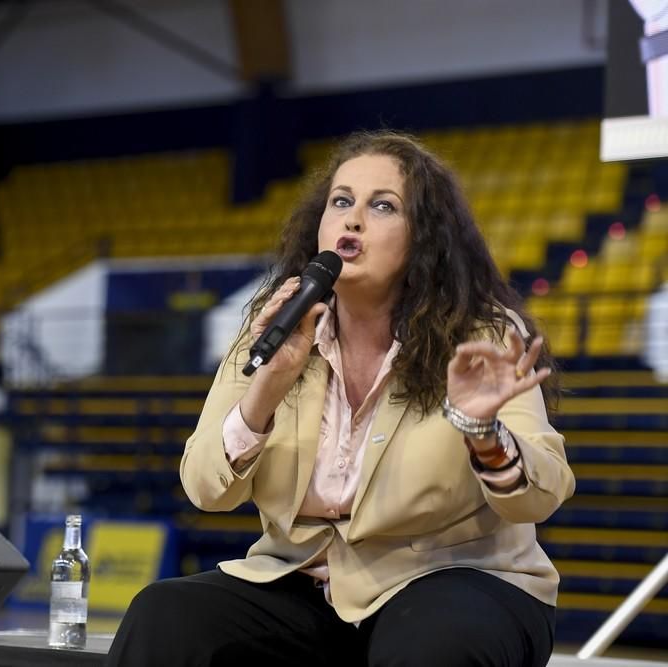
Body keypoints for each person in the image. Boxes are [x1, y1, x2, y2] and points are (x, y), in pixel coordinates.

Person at [105, 130, 576, 666]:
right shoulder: (274, 333)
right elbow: (205, 490)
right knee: (164, 616)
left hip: (455, 579)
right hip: (305, 583)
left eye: (383, 206)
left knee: (426, 647)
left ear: (423, 237)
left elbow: (542, 493)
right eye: (341, 201)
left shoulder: (481, 336)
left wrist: (481, 431)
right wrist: (266, 389)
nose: (353, 219)